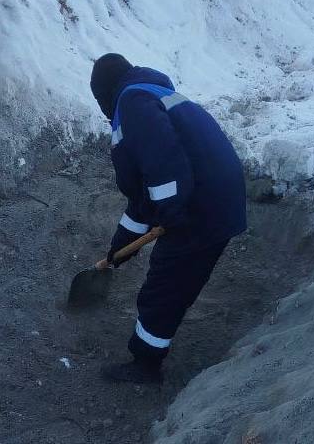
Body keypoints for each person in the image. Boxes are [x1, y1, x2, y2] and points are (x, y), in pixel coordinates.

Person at [90, 53, 247, 383]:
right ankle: (152, 348)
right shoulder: (153, 93)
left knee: (164, 285)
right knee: (181, 279)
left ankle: (145, 364)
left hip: (200, 205)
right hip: (220, 197)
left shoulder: (132, 102)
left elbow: (164, 164)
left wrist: (172, 210)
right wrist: (122, 246)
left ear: (105, 95)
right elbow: (142, 199)